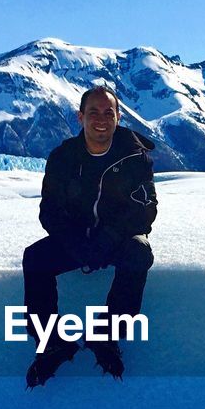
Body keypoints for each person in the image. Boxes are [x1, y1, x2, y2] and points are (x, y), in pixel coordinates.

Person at [22, 85, 158, 387]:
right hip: (76, 240)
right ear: (80, 117)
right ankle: (52, 341)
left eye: (108, 112)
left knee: (139, 253)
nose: (101, 119)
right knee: (35, 258)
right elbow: (50, 212)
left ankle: (106, 335)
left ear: (118, 117)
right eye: (93, 112)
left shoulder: (136, 158)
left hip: (117, 239)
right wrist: (76, 243)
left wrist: (107, 238)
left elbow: (145, 211)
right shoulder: (62, 158)